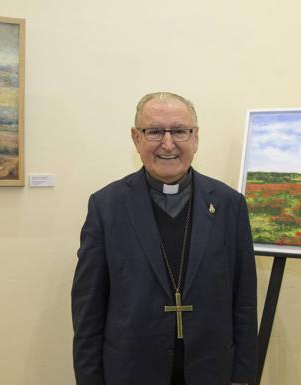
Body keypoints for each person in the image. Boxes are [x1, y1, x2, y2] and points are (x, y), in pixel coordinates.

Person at [72, 92, 257, 385]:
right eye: (155, 131)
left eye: (179, 131)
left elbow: (244, 299)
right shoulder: (107, 206)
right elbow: (88, 309)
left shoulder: (229, 204)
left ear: (195, 138)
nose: (168, 143)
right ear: (136, 138)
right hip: (131, 370)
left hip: (211, 370)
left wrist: (243, 375)